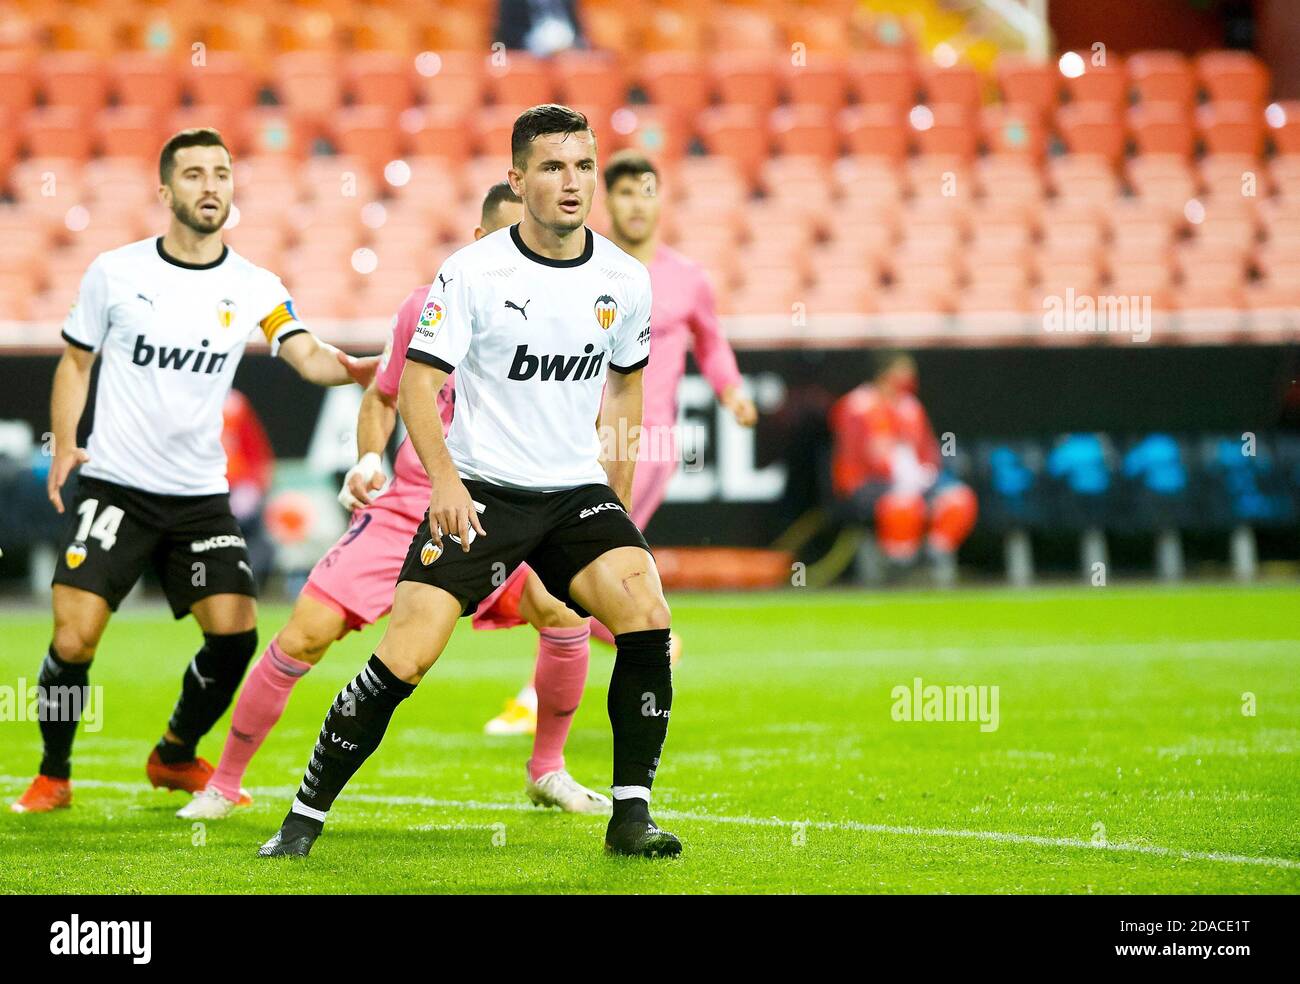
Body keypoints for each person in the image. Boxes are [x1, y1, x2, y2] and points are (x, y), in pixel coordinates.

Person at [258, 104, 681, 859]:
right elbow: (416, 387)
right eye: (553, 167)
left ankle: (631, 814)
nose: (573, 182)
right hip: (483, 491)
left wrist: (612, 496)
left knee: (646, 613)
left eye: (583, 166)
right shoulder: (472, 272)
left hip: (574, 494)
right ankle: (303, 817)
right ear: (518, 180)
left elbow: (624, 391)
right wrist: (446, 483)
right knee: (407, 657)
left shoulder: (626, 278)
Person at [179, 182, 610, 820]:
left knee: (564, 615)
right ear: (479, 240)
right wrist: (366, 457)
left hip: (508, 509)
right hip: (414, 503)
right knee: (305, 634)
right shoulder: (428, 306)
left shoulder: (562, 318)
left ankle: (547, 770)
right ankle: (225, 783)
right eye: (508, 238)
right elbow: (384, 394)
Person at [11, 128, 376, 814]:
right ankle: (54, 773)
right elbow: (76, 361)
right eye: (195, 174)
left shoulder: (254, 285)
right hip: (117, 485)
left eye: (221, 173)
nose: (211, 186)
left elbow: (301, 350)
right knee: (73, 633)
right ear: (165, 190)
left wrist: (350, 366)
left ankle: (174, 754)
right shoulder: (116, 273)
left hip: (198, 497)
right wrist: (65, 443)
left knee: (235, 635)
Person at [483, 149, 757, 735]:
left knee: (567, 563)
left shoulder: (687, 279)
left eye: (647, 191)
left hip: (646, 441)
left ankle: (543, 694)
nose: (637, 203)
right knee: (564, 567)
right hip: (579, 436)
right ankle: (650, 641)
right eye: (626, 192)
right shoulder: (591, 268)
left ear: (661, 201)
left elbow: (711, 344)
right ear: (611, 201)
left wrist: (731, 392)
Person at [828, 353, 977, 581]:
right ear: (885, 372)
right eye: (903, 371)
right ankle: (900, 568)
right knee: (903, 504)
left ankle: (933, 557)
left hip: (915, 480)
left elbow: (927, 451)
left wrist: (925, 472)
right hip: (869, 484)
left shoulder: (910, 406)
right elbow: (860, 455)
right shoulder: (857, 405)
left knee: (959, 498)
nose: (909, 377)